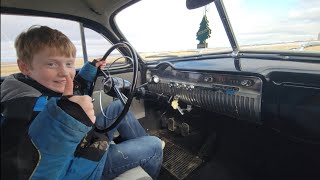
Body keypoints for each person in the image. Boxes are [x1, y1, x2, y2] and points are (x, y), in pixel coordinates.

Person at [0, 25, 163, 179]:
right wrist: (66, 119)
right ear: (25, 67)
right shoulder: (21, 111)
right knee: (154, 145)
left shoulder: (28, 85)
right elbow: (27, 172)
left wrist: (90, 68)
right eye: (51, 64)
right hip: (82, 169)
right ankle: (148, 156)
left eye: (69, 64)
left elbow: (72, 88)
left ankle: (137, 153)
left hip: (83, 146)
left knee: (119, 106)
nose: (65, 73)